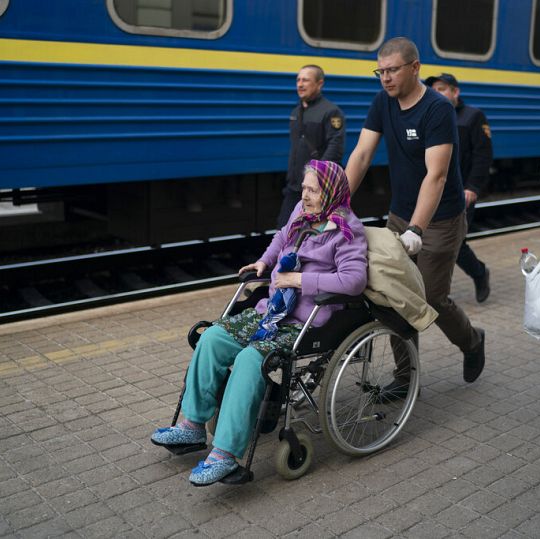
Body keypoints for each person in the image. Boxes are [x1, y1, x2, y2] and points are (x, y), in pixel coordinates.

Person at [152, 160, 367, 485]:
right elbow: (282, 237)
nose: (304, 195)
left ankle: (224, 455)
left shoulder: (348, 230)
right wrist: (265, 261)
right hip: (272, 311)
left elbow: (354, 280)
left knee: (250, 358)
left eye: (312, 190)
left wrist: (299, 280)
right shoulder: (302, 212)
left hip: (305, 322)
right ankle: (192, 426)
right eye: (304, 188)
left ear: (331, 192)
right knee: (212, 338)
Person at [344, 37, 486, 386]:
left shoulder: (437, 109)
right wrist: (337, 201)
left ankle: (472, 341)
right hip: (400, 213)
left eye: (393, 70)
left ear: (415, 67)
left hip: (441, 219)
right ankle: (406, 378)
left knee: (431, 298)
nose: (385, 78)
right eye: (380, 71)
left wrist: (416, 229)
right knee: (393, 293)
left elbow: (436, 175)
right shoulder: (382, 101)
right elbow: (362, 154)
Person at [425, 73, 493, 303]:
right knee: (432, 240)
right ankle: (436, 287)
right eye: (433, 89)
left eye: (442, 89)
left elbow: (483, 155)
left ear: (455, 92)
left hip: (460, 191)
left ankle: (479, 273)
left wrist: (472, 187)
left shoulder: (472, 116)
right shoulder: (430, 116)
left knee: (456, 242)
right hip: (433, 189)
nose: (436, 93)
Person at [277, 65, 346, 227]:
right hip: (295, 187)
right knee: (284, 229)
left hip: (317, 188)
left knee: (313, 233)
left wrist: (316, 176)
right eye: (298, 80)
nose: (300, 84)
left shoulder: (331, 111)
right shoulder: (296, 112)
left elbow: (335, 148)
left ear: (319, 84)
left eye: (306, 80)